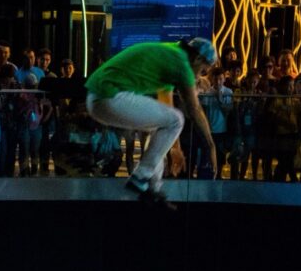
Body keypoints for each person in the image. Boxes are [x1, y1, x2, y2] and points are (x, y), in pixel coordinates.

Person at [85, 37, 218, 204]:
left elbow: (166, 106)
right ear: (198, 58)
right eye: (203, 70)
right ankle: (140, 177)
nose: (201, 75)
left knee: (161, 136)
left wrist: (175, 148)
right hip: (110, 96)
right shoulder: (181, 62)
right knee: (177, 119)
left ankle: (153, 188)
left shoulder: (172, 56)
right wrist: (211, 146)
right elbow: (194, 109)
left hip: (97, 99)